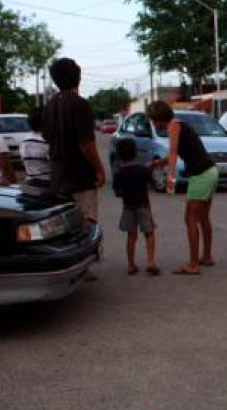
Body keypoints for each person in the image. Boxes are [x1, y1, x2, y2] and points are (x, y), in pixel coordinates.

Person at [43, 58, 106, 280]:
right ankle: (83, 265)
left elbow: (47, 139)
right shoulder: (80, 104)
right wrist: (99, 169)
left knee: (64, 225)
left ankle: (69, 264)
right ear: (78, 76)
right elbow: (86, 144)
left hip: (58, 177)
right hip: (80, 176)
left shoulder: (49, 106)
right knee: (87, 221)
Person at [147, 100, 219, 275]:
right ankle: (206, 256)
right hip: (210, 171)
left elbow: (172, 153)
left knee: (190, 219)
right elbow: (177, 152)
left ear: (157, 118)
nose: (153, 123)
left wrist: (170, 178)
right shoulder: (179, 125)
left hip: (201, 175)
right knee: (202, 218)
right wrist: (157, 163)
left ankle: (193, 264)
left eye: (152, 119)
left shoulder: (173, 126)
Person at [113, 139, 160, 276]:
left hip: (127, 207)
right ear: (135, 153)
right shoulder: (143, 170)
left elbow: (117, 192)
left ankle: (131, 264)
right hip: (144, 206)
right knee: (149, 233)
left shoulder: (118, 173)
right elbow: (153, 184)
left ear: (119, 155)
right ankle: (151, 261)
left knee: (131, 235)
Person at [19, 108, 51, 186]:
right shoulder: (47, 141)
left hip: (29, 182)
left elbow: (23, 162)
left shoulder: (24, 141)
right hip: (47, 184)